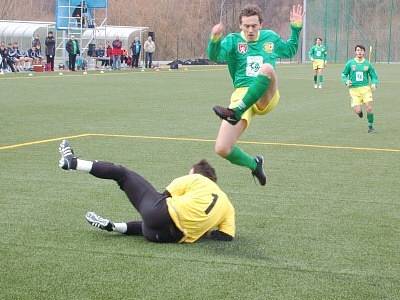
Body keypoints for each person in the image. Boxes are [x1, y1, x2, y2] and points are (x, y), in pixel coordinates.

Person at [58, 140, 235, 243]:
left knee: (123, 174)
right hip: (167, 237)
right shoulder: (228, 205)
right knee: (149, 221)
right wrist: (204, 230)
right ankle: (114, 226)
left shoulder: (196, 179)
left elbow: (165, 195)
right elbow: (226, 236)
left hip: (159, 217)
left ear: (196, 173)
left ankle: (72, 162)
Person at [207, 4, 304, 186]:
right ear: (240, 25)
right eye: (246, 26)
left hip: (266, 94)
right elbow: (215, 56)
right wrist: (215, 39)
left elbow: (290, 50)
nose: (250, 30)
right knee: (222, 148)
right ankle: (254, 164)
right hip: (242, 95)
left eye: (254, 26)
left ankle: (236, 112)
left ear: (261, 24)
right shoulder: (233, 40)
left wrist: (296, 29)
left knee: (266, 68)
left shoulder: (270, 38)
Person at [341, 45, 379, 133]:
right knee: (358, 110)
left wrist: (374, 83)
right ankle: (359, 112)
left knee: (369, 108)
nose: (359, 52)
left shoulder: (367, 64)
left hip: (365, 89)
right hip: (354, 90)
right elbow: (344, 74)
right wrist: (346, 81)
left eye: (361, 50)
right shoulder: (350, 63)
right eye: (358, 50)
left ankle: (370, 127)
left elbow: (374, 76)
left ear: (364, 52)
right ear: (355, 52)